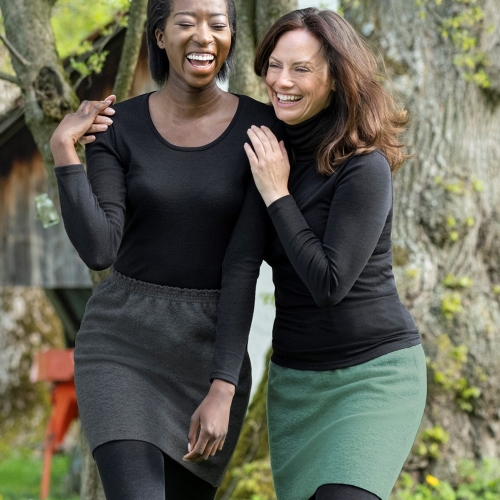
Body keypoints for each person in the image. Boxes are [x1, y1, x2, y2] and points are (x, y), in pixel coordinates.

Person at [49, 0, 283, 498]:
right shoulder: (119, 126)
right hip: (121, 344)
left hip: (208, 352)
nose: (203, 36)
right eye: (186, 23)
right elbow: (98, 248)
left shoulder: (261, 130)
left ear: (230, 38)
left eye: (217, 25)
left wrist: (223, 387)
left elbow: (243, 266)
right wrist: (65, 153)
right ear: (159, 36)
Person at [243, 8, 427, 500]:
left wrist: (277, 195)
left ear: (336, 79)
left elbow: (329, 282)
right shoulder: (266, 155)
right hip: (297, 385)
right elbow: (237, 261)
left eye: (301, 69)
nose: (282, 81)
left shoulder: (364, 167)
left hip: (373, 378)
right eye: (274, 65)